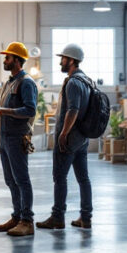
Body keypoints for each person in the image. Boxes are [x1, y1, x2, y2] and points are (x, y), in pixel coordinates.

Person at [37, 43, 94, 230]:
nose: (60, 62)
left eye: (62, 58)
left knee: (60, 178)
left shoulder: (73, 82)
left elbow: (73, 110)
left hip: (69, 139)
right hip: (82, 139)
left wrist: (63, 133)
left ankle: (58, 217)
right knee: (83, 179)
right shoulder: (87, 81)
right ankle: (86, 217)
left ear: (71, 60)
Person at [0, 42, 37, 237]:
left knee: (22, 179)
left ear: (17, 59)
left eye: (7, 58)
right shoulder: (9, 83)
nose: (4, 61)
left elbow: (30, 110)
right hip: (5, 137)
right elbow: (7, 109)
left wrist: (1, 111)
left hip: (17, 137)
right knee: (10, 180)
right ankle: (17, 216)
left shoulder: (27, 82)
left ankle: (27, 220)